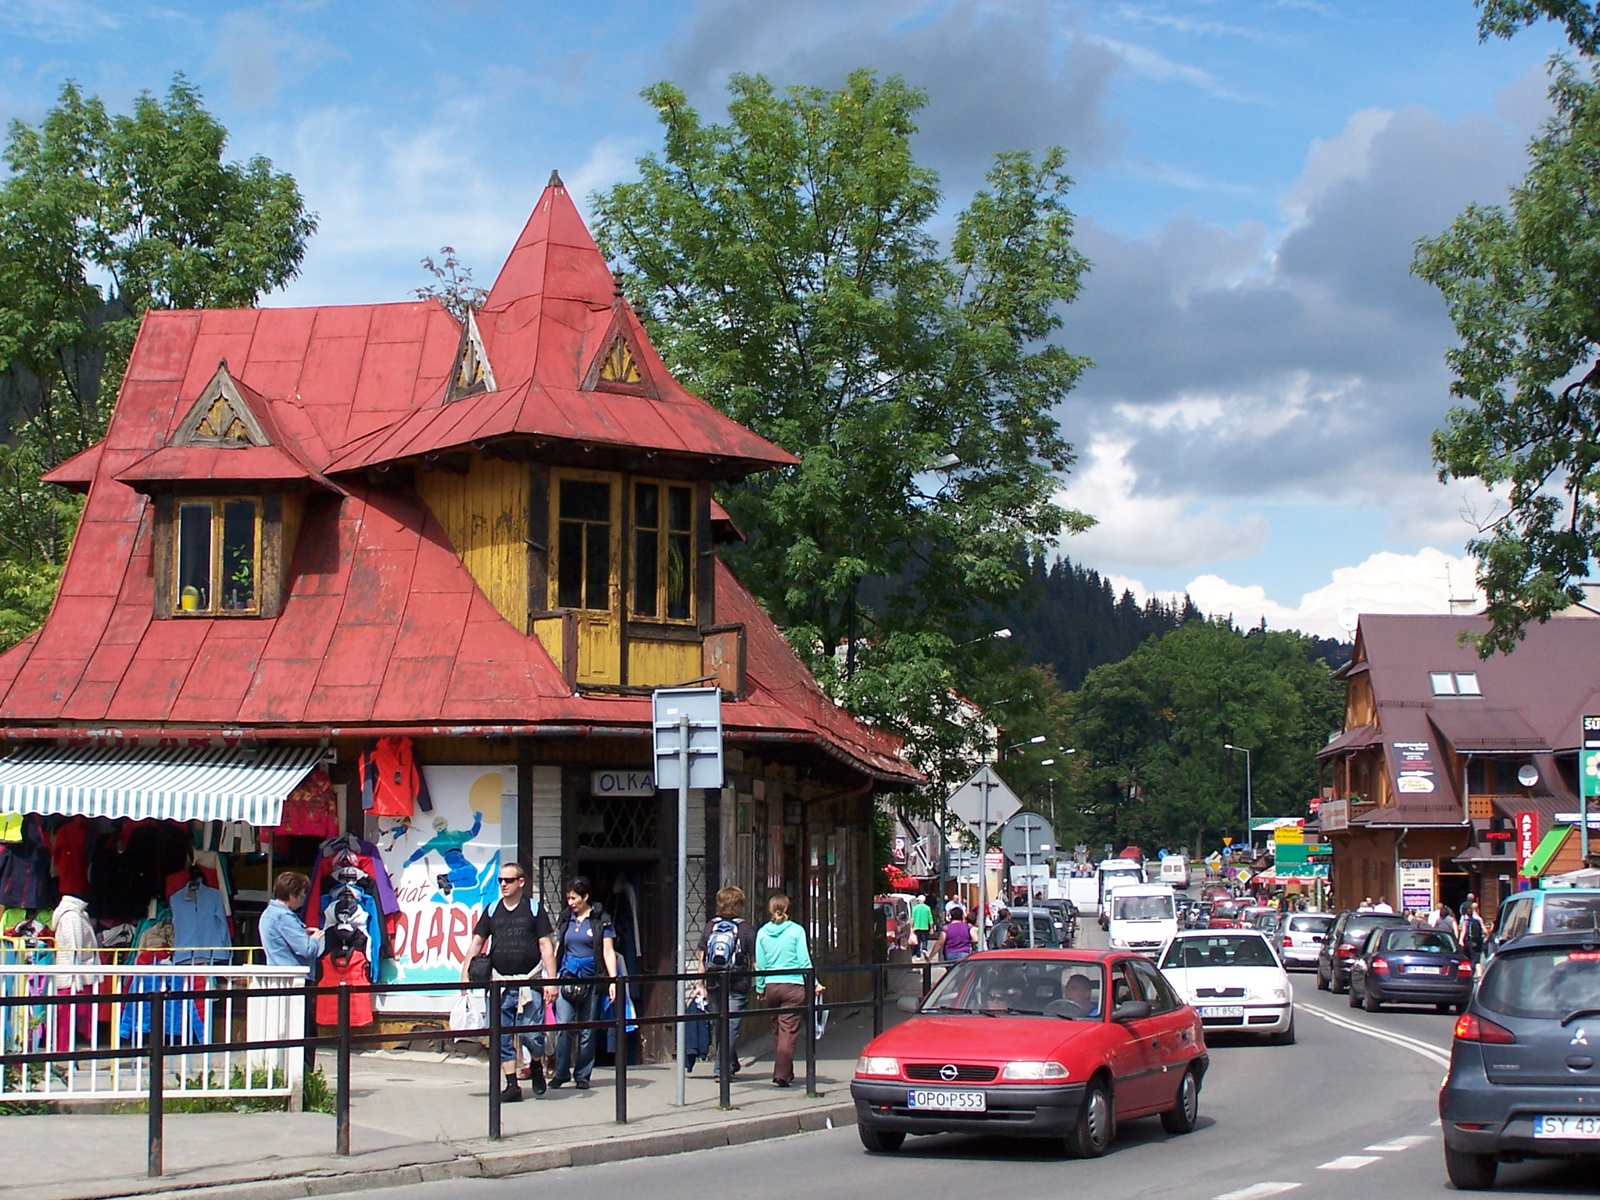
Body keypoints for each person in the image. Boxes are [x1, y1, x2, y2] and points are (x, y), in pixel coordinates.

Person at [461, 860, 556, 1103]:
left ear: (521, 882)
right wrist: (465, 975)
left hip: (530, 982)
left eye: (508, 880)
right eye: (500, 880)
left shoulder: (534, 909)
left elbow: (546, 945)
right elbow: (477, 942)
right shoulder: (492, 910)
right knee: (501, 1035)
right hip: (499, 984)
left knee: (530, 1034)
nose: (503, 884)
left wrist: (551, 981)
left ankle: (536, 1063)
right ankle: (512, 1084)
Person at [550, 876, 618, 1090]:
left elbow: (608, 951)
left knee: (588, 1029)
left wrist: (612, 980)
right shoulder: (565, 918)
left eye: (574, 898)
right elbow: (557, 948)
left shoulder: (601, 919)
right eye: (568, 898)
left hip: (592, 979)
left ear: (585, 897)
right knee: (564, 1026)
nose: (570, 903)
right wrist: (551, 977)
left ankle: (583, 1075)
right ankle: (561, 1072)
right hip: (567, 976)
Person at [754, 893, 818, 1088]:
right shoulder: (796, 931)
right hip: (793, 986)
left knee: (778, 1030)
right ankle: (781, 1074)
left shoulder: (762, 933)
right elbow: (804, 960)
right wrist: (814, 982)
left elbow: (761, 965)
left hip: (772, 987)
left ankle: (786, 1072)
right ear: (788, 909)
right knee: (788, 1032)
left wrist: (760, 987)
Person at [698, 885, 756, 1076]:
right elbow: (754, 957)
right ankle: (721, 1069)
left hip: (713, 982)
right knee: (730, 1026)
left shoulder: (710, 926)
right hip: (737, 983)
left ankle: (729, 1064)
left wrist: (700, 983)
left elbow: (702, 956)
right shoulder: (745, 928)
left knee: (721, 1027)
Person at [259, 871, 324, 973]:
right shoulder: (284, 916)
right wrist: (315, 939)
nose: (301, 900)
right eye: (301, 896)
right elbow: (306, 950)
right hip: (293, 977)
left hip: (277, 973)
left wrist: (302, 933)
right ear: (291, 895)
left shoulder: (268, 913)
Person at [910, 894, 933, 959]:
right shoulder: (927, 908)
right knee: (925, 939)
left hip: (917, 926)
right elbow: (930, 918)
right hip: (925, 926)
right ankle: (924, 949)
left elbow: (912, 918)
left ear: (919, 901)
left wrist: (911, 927)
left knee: (918, 941)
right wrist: (931, 927)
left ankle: (918, 955)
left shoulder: (915, 908)